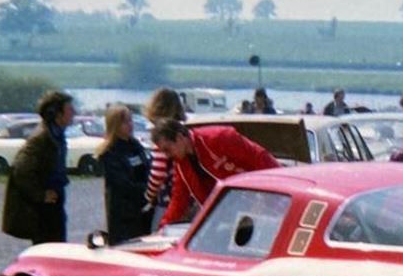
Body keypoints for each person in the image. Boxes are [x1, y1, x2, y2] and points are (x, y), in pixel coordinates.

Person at [151, 119, 280, 228]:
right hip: (225, 212)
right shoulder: (181, 164)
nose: (167, 156)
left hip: (257, 201)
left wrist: (273, 198)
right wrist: (163, 228)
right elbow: (179, 199)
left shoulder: (218, 137)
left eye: (167, 149)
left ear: (180, 137)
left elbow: (260, 158)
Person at [1, 90, 75, 244]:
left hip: (55, 202)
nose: (74, 112)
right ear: (57, 114)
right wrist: (41, 195)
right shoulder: (40, 139)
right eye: (69, 109)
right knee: (47, 249)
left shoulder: (57, 135)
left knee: (58, 247)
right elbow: (21, 170)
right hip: (43, 209)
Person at [96, 104, 152, 244]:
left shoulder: (135, 145)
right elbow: (122, 184)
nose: (130, 125)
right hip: (123, 213)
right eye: (125, 122)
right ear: (115, 125)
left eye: (130, 120)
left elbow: (146, 168)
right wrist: (147, 189)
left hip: (143, 207)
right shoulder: (109, 152)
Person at [143, 87, 187, 228]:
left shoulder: (162, 136)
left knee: (159, 233)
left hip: (168, 200)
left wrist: (149, 196)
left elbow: (158, 172)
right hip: (188, 197)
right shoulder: (183, 131)